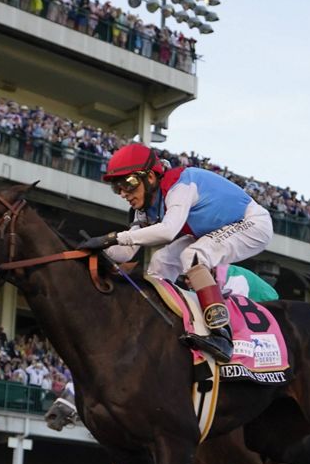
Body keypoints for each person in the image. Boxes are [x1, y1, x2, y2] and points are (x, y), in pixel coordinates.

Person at [85, 143, 275, 362]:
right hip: (212, 230)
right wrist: (94, 249)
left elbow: (167, 231)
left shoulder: (179, 187)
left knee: (194, 255)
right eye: (116, 187)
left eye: (129, 183)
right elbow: (126, 253)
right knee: (161, 261)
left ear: (150, 177)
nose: (123, 193)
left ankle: (221, 334)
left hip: (251, 223)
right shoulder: (146, 207)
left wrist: (113, 237)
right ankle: (158, 323)